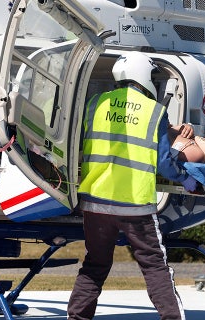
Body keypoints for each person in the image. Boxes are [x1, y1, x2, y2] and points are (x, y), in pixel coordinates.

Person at [67, 51, 197, 320]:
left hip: (95, 203)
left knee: (95, 265)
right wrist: (186, 178)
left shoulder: (95, 103)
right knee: (154, 267)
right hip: (135, 207)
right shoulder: (154, 112)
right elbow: (164, 163)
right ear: (143, 77)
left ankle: (77, 317)